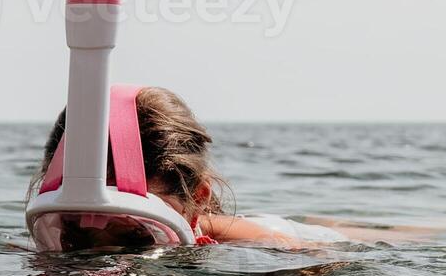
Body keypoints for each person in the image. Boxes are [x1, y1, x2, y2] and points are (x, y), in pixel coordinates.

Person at [28, 87, 406, 248]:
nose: (100, 254)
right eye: (73, 234)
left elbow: (314, 267)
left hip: (291, 234)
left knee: (387, 235)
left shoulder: (259, 245)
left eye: (134, 238)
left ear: (197, 198)